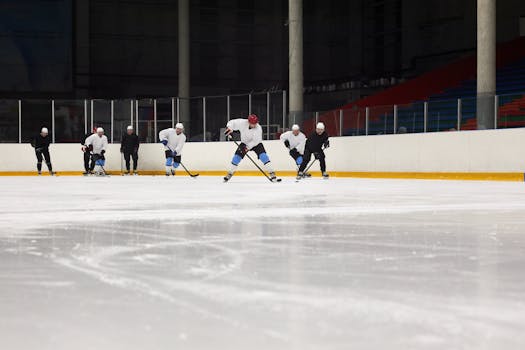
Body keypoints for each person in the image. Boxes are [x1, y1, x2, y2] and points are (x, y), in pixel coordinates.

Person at [223, 114, 277, 182]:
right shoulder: (242, 123)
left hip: (256, 144)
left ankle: (272, 173)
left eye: (255, 123)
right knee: (236, 158)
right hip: (244, 143)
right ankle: (230, 173)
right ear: (248, 122)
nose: (254, 125)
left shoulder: (258, 128)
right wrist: (229, 128)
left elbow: (255, 141)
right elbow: (232, 122)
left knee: (264, 156)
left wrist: (247, 148)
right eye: (252, 123)